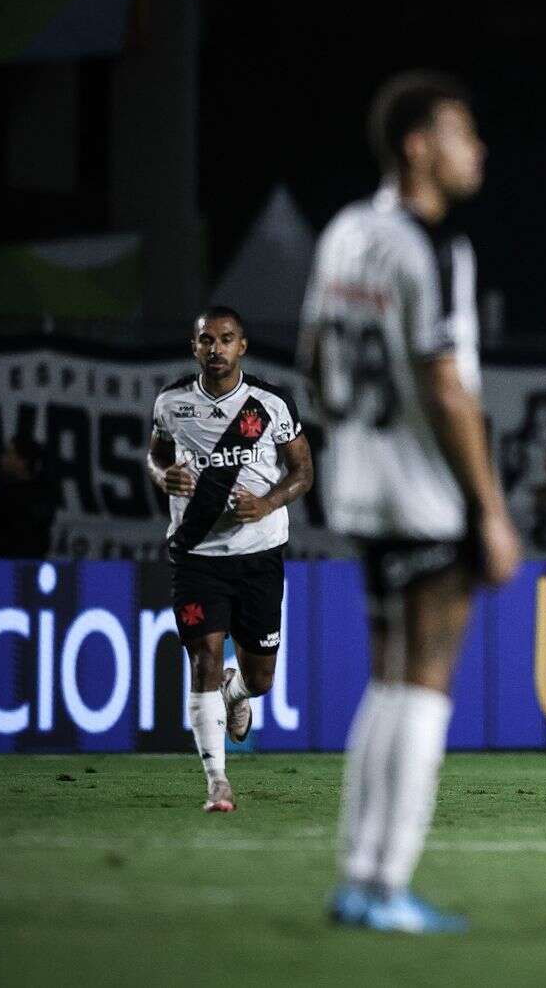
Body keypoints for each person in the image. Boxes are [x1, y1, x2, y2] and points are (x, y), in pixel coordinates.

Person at [300, 70, 520, 933]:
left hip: (360, 486)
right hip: (425, 495)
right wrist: (489, 507)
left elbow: (315, 354)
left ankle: (358, 875)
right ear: (418, 145)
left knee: (389, 675)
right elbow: (445, 384)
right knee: (425, 683)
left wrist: (353, 436)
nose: (479, 149)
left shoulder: (347, 231)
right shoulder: (434, 248)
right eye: (463, 132)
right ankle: (386, 883)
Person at [145, 306, 314, 814]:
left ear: (242, 346)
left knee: (261, 679)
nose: (214, 349)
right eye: (205, 340)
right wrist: (161, 476)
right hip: (197, 556)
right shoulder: (172, 402)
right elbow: (155, 454)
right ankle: (217, 781)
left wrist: (266, 502)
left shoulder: (269, 405)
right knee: (203, 660)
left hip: (259, 554)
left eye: (225, 339)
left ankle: (236, 695)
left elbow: (303, 473)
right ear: (193, 347)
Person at [0, 434, 58, 558]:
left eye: (9, 454)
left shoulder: (8, 494)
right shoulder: (43, 492)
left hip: (6, 566)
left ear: (22, 461)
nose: (3, 459)